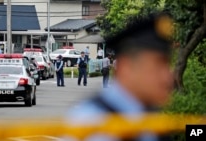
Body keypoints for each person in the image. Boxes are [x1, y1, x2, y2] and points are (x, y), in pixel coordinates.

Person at [67, 13, 174, 141]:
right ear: (126, 67)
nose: (168, 77)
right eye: (158, 65)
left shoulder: (149, 119)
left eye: (168, 65)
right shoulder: (94, 124)